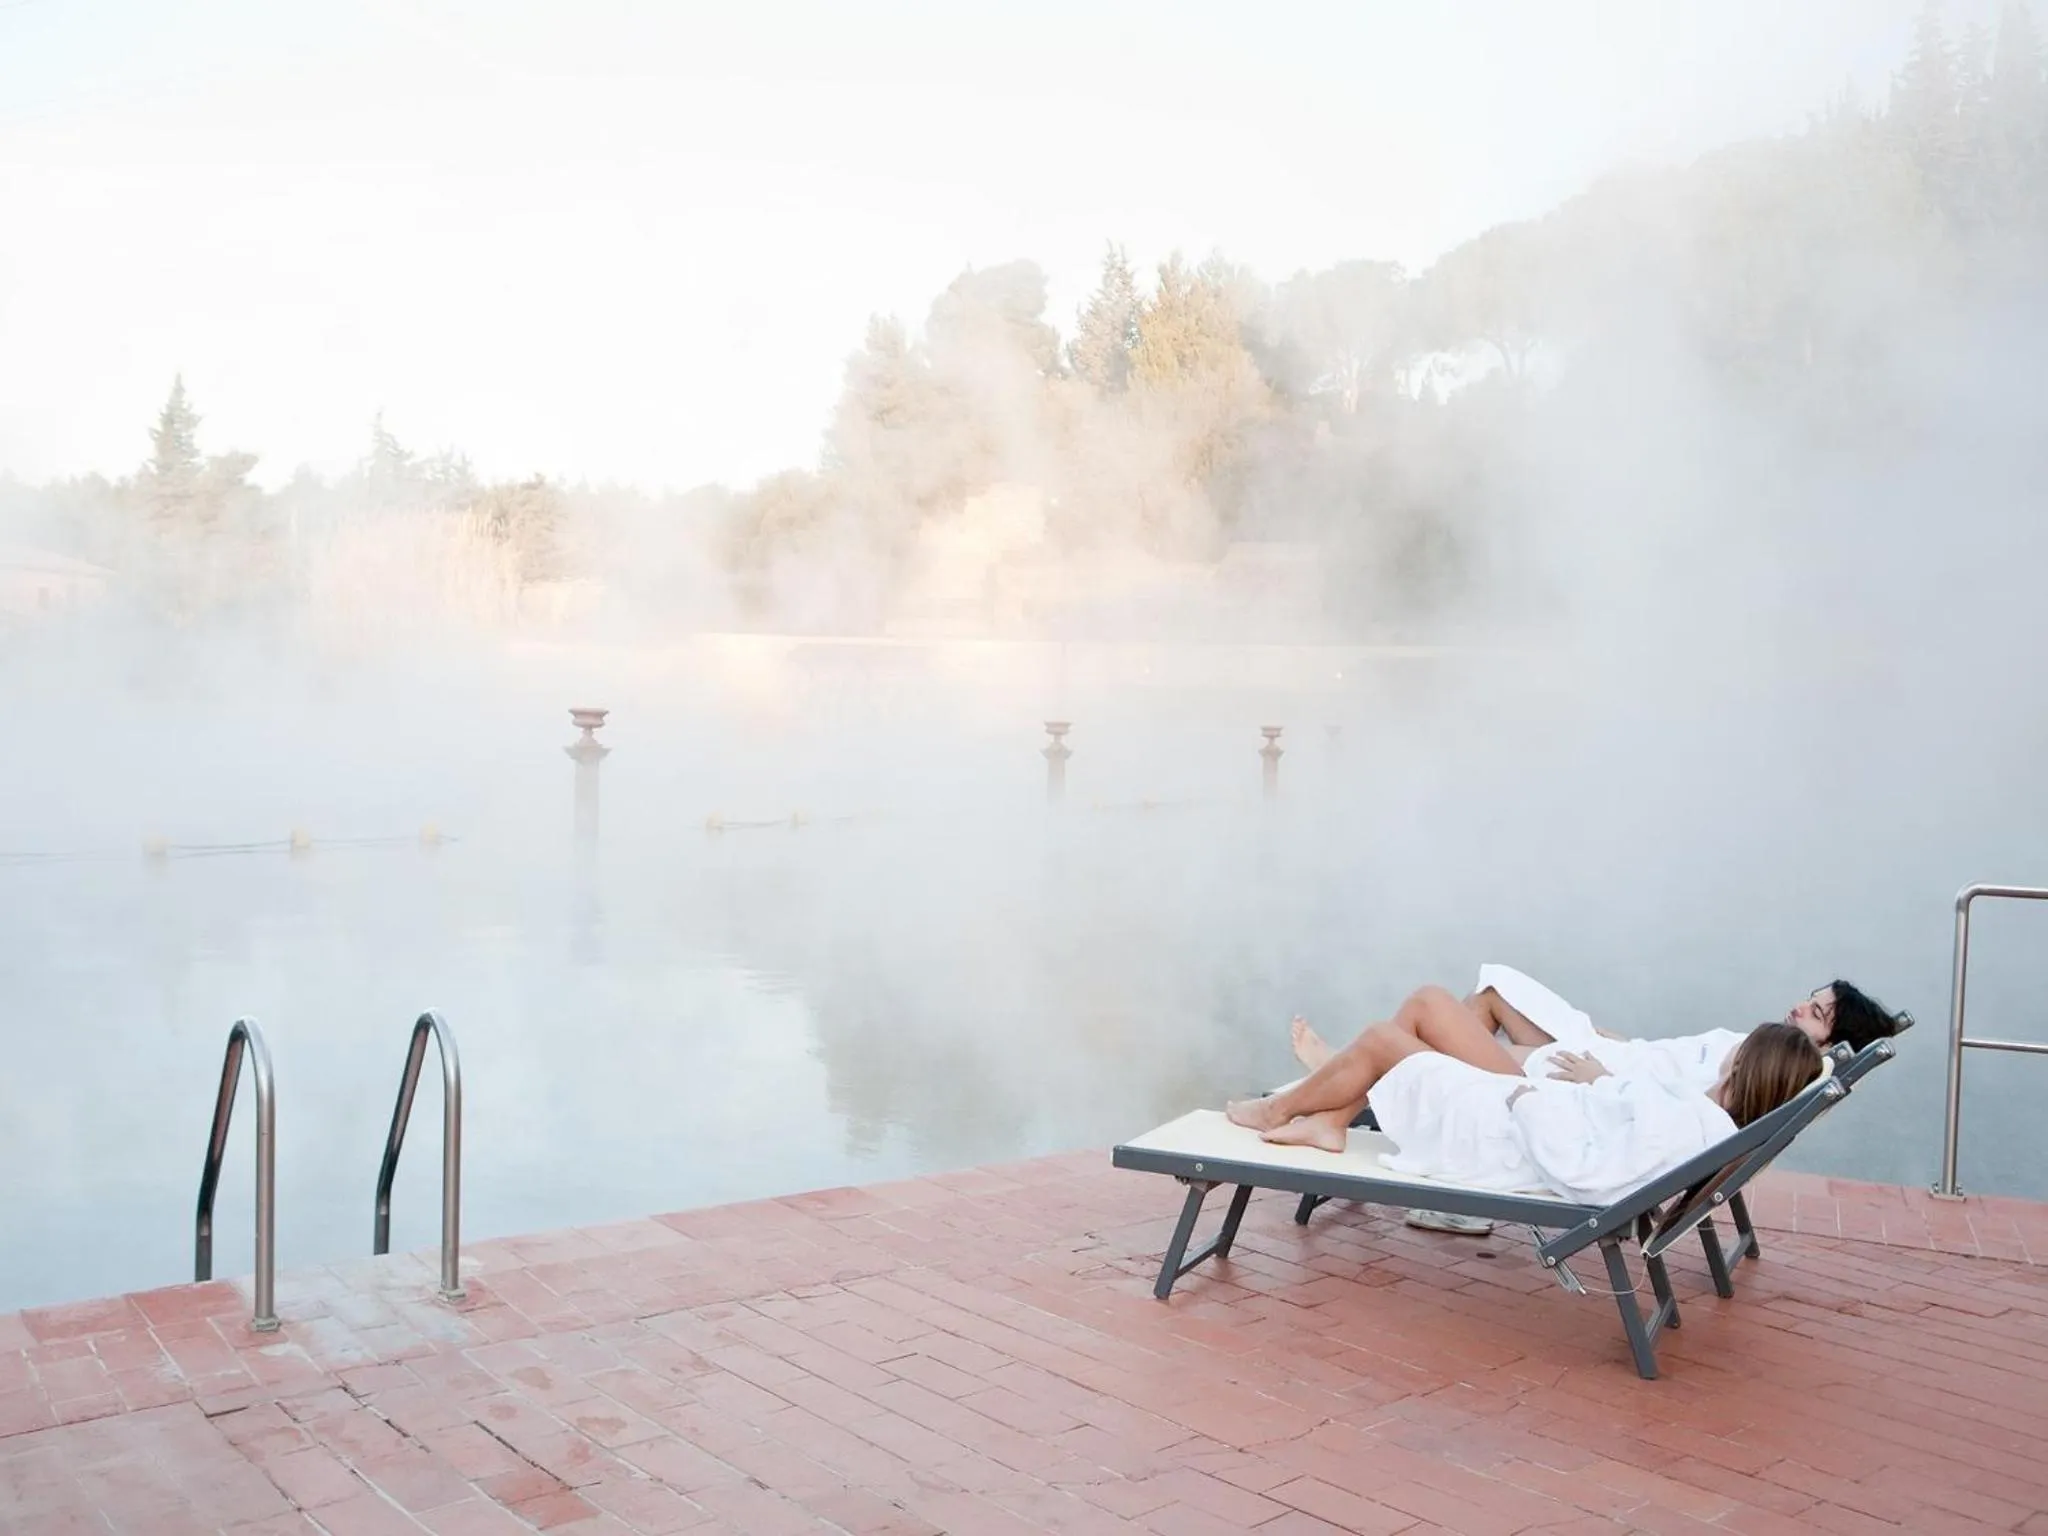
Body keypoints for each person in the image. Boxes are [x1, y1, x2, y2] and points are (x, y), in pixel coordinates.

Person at [1225, 996, 1824, 1206]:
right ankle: (1330, 1114)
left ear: (1742, 1064)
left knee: (1388, 1037)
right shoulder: (1701, 1120)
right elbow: (1620, 1126)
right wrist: (1597, 1083)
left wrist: (1527, 1101)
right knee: (1418, 1013)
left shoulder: (1692, 1125)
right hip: (1528, 1110)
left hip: (1504, 1131)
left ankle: (1284, 1109)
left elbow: (1587, 1175)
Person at [1285, 967, 1906, 1103]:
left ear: (1830, 1042)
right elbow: (1681, 1070)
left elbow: (1687, 1103)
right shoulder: (1767, 1050)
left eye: (1816, 1012)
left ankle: (1348, 1081)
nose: (1799, 1007)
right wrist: (1625, 1046)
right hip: (1613, 1056)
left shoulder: (1768, 1067)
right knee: (1492, 993)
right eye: (1810, 998)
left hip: (1590, 1078)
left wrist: (1606, 1076)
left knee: (1435, 1014)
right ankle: (1355, 1080)